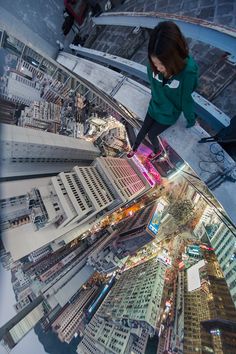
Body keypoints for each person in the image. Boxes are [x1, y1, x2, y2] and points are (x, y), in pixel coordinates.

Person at [127, 21, 199, 160]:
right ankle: (134, 149)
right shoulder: (152, 66)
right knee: (142, 130)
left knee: (151, 134)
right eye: (155, 63)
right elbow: (154, 87)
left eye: (162, 64)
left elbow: (186, 99)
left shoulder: (188, 71)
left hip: (168, 114)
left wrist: (191, 119)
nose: (158, 68)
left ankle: (157, 151)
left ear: (173, 59)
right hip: (155, 106)